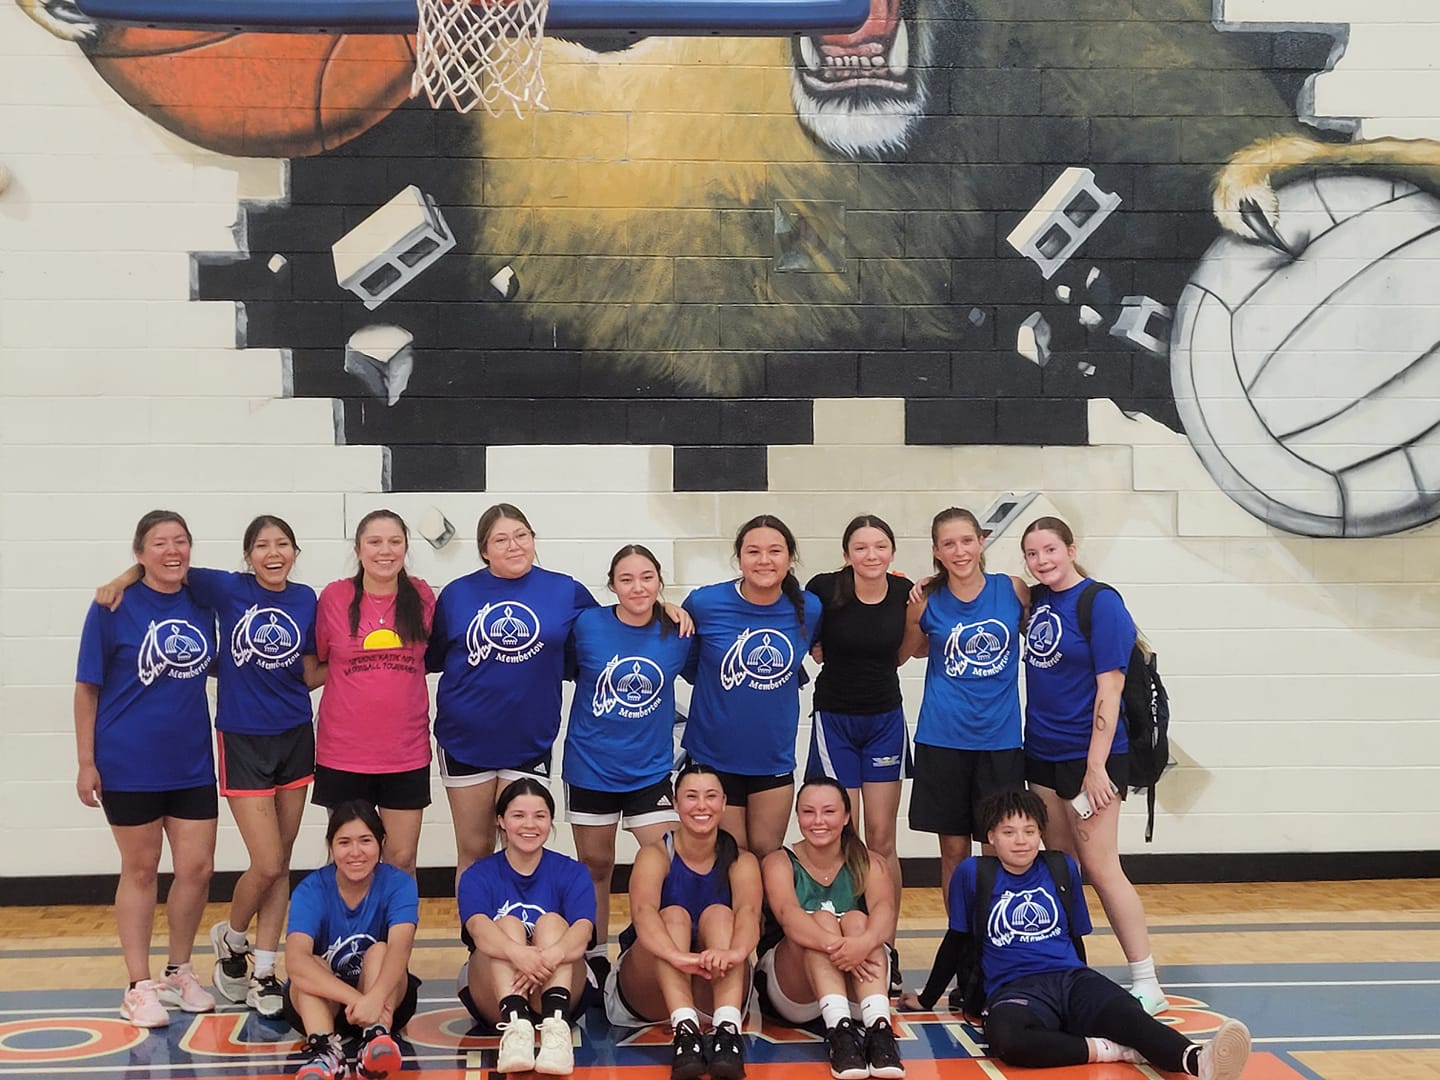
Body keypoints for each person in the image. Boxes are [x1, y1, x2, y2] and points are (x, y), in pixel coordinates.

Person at [95, 514, 323, 1018]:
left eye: (283, 544)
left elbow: (309, 668)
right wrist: (119, 579)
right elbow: (163, 566)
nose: (273, 553)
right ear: (247, 556)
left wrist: (357, 667)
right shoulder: (226, 588)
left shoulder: (308, 598)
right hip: (241, 738)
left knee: (281, 861)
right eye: (262, 545)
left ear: (295, 551)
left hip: (295, 735)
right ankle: (232, 937)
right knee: (266, 862)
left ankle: (264, 969)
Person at [938, 789, 1250, 1079]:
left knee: (1129, 1014)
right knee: (1008, 1039)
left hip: (1070, 978)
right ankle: (1113, 1050)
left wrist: (1086, 994)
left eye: (1029, 831)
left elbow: (1075, 938)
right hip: (1015, 988)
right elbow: (956, 940)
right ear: (991, 836)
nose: (1021, 841)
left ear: (1041, 833)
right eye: (1009, 832)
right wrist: (928, 998)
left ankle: (1199, 1060)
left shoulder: (1061, 867)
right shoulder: (973, 873)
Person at [75, 509, 219, 1028]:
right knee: (140, 870)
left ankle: (179, 971)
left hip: (192, 761)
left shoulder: (202, 600)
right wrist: (86, 762)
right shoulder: (112, 606)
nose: (172, 550)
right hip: (128, 761)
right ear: (139, 552)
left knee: (197, 869)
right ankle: (138, 986)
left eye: (181, 540)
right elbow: (86, 688)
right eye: (159, 543)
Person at [1020, 515, 1168, 1013]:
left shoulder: (1100, 602)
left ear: (1071, 549)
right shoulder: (1039, 601)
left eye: (1050, 550)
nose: (1042, 561)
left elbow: (1111, 689)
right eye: (1032, 554)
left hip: (1091, 760)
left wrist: (1096, 766)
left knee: (1102, 868)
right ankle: (1066, 970)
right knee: (1059, 866)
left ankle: (1146, 979)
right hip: (1042, 754)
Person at [426, 504, 600, 881]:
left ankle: (522, 923)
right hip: (465, 740)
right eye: (501, 539)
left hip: (529, 739)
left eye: (521, 535)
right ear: (484, 550)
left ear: (533, 539)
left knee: (523, 847)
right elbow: (432, 657)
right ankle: (478, 924)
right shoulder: (457, 594)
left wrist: (665, 609)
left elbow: (611, 631)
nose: (514, 545)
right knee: (475, 849)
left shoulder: (565, 590)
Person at [564, 544, 694, 975]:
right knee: (595, 865)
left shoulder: (679, 632)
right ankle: (594, 959)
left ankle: (651, 945)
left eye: (647, 577)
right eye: (627, 579)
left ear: (659, 581)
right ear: (612, 585)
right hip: (591, 766)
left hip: (650, 770)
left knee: (669, 862)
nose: (638, 587)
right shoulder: (587, 625)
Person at [802, 514, 914, 995]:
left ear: (892, 551)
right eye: (861, 547)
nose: (872, 555)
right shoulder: (824, 588)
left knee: (881, 840)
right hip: (836, 721)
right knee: (841, 836)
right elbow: (804, 637)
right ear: (846, 554)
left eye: (880, 546)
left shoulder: (905, 592)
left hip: (885, 720)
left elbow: (907, 651)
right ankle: (842, 939)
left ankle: (884, 946)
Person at [900, 507, 1028, 914]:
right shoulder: (926, 601)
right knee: (954, 853)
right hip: (943, 738)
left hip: (1000, 740)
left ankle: (995, 939)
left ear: (981, 542)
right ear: (936, 551)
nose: (960, 551)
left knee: (998, 849)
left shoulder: (1013, 589)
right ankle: (961, 940)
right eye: (949, 544)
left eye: (967, 541)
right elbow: (906, 653)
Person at [604, 762, 762, 1080]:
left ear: (723, 802)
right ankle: (685, 1033)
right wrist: (676, 956)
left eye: (710, 796)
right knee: (673, 916)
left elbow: (749, 915)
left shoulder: (741, 860)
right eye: (691, 796)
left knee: (721, 915)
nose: (701, 805)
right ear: (675, 803)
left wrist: (733, 954)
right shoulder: (654, 854)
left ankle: (727, 1031)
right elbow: (643, 913)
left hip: (712, 986)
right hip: (649, 990)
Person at [681, 515, 822, 859]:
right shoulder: (705, 604)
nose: (764, 560)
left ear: (790, 557)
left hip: (772, 756)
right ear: (739, 557)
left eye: (775, 551)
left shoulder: (810, 608)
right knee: (732, 858)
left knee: (766, 855)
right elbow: (687, 663)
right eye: (753, 551)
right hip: (714, 755)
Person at [314, 510, 435, 877]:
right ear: (358, 549)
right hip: (344, 752)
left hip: (405, 752)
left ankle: (396, 921)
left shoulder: (422, 596)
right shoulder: (335, 597)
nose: (385, 550)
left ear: (406, 548)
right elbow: (320, 661)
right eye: (375, 542)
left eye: (395, 542)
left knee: (401, 858)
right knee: (353, 861)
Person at [757, 778, 904, 1080]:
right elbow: (788, 915)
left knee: (858, 920)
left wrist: (863, 943)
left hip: (857, 985)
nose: (818, 821)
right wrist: (839, 946)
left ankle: (879, 1029)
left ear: (847, 816)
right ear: (798, 816)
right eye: (808, 812)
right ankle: (840, 1033)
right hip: (796, 991)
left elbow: (885, 911)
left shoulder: (869, 862)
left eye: (829, 811)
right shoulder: (779, 861)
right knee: (821, 920)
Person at [457, 779, 595, 1076]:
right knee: (506, 925)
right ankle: (516, 1028)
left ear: (550, 820)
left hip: (556, 981)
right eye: (518, 815)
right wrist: (518, 954)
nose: (529, 825)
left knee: (553, 923)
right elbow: (478, 929)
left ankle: (556, 1030)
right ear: (501, 821)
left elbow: (583, 931)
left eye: (539, 816)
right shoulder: (477, 875)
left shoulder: (572, 871)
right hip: (495, 992)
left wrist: (549, 956)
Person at [282, 799, 419, 1080]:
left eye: (365, 840)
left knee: (381, 950)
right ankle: (325, 1052)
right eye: (344, 842)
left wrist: (376, 998)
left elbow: (400, 949)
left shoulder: (399, 884)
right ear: (331, 846)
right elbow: (295, 962)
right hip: (323, 1006)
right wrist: (358, 1001)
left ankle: (375, 1039)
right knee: (311, 964)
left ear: (381, 842)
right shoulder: (311, 889)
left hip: (386, 1001)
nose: (355, 852)